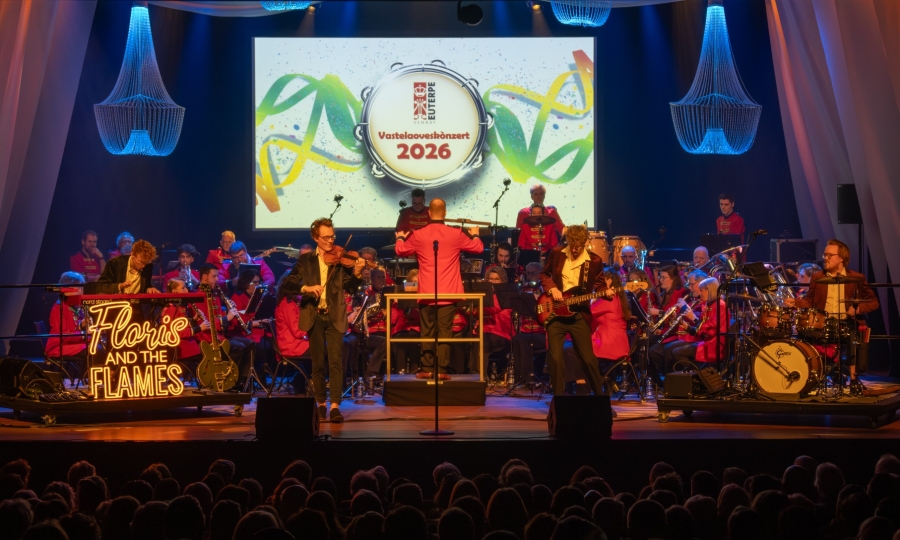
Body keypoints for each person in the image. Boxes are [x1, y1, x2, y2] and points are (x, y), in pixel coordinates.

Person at [395, 198, 484, 379]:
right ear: (445, 213)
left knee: (427, 331)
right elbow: (478, 247)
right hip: (449, 292)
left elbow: (400, 250)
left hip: (427, 291)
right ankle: (442, 370)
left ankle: (427, 368)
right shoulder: (456, 233)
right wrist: (475, 234)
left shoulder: (419, 234)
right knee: (445, 331)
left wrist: (400, 237)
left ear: (429, 213)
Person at [288, 218, 365, 422]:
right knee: (318, 362)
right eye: (326, 238)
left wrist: (357, 274)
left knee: (336, 361)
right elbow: (288, 283)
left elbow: (350, 287)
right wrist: (306, 288)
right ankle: (321, 403)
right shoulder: (306, 260)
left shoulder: (340, 260)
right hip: (313, 315)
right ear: (316, 238)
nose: (330, 241)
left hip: (334, 315)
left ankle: (335, 406)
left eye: (332, 237)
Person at [785, 239, 878, 391]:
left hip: (847, 322)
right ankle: (811, 375)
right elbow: (809, 300)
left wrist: (858, 309)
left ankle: (853, 379)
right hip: (824, 322)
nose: (825, 258)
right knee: (804, 333)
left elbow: (874, 302)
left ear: (841, 258)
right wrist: (795, 302)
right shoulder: (818, 277)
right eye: (825, 255)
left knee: (853, 335)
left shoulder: (856, 278)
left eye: (829, 255)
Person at [539, 224, 613, 395]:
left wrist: (607, 292)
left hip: (578, 313)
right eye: (572, 245)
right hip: (556, 312)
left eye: (578, 246)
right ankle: (558, 398)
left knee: (588, 359)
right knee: (555, 358)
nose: (575, 249)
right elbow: (544, 274)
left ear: (585, 243)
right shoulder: (557, 253)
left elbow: (600, 285)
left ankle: (599, 397)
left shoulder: (594, 261)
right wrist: (552, 289)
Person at [192, 264, 253, 391]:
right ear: (204, 277)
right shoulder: (198, 296)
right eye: (214, 276)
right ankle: (229, 380)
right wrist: (226, 318)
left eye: (217, 276)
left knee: (250, 344)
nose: (217, 279)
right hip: (207, 338)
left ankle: (242, 381)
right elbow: (206, 323)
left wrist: (229, 312)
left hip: (219, 335)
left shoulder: (215, 294)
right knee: (238, 347)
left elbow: (219, 316)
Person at [668, 278, 729, 371]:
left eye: (701, 290)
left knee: (677, 352)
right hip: (705, 341)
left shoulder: (720, 305)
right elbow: (699, 330)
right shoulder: (708, 305)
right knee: (670, 348)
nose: (700, 294)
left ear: (709, 290)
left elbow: (711, 330)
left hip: (713, 345)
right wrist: (686, 327)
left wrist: (694, 318)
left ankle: (697, 374)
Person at [471, 267, 513, 377]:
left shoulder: (504, 294)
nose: (493, 281)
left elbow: (492, 309)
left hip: (501, 332)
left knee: (483, 341)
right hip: (484, 330)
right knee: (470, 339)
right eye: (490, 279)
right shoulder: (484, 293)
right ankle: (472, 373)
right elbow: (475, 313)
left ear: (502, 280)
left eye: (497, 279)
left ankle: (480, 375)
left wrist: (476, 307)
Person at [230, 269, 272, 379]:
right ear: (246, 283)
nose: (258, 285)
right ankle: (250, 376)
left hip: (259, 329)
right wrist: (257, 322)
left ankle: (261, 376)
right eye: (255, 282)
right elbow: (239, 322)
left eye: (259, 282)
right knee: (262, 347)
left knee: (272, 344)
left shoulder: (258, 296)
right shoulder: (238, 296)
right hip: (243, 332)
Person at [273, 275, 311, 394]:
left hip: (295, 343)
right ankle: (308, 382)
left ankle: (302, 380)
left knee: (323, 347)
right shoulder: (287, 304)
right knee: (323, 349)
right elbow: (297, 331)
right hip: (291, 346)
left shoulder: (291, 302)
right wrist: (314, 330)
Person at [511, 263, 546, 382]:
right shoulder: (523, 290)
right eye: (528, 273)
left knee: (522, 340)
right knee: (516, 339)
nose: (530, 276)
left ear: (541, 274)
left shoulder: (545, 290)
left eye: (533, 273)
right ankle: (518, 378)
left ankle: (528, 379)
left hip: (543, 333)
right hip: (527, 331)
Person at [591, 270, 632, 371]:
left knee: (577, 346)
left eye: (599, 282)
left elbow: (587, 312)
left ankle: (583, 379)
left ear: (608, 281)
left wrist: (593, 299)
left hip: (609, 345)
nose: (595, 285)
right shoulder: (618, 298)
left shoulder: (609, 299)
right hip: (619, 345)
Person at [46, 272, 89, 368]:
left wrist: (81, 325)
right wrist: (85, 334)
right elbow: (64, 336)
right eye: (79, 288)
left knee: (99, 345)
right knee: (96, 349)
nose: (81, 292)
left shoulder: (71, 305)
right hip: (59, 347)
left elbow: (71, 328)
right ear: (68, 289)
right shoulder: (59, 308)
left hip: (68, 344)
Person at [95, 240, 161, 294]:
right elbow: (100, 287)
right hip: (117, 304)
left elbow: (146, 285)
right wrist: (119, 286)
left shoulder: (148, 266)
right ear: (132, 254)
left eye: (145, 263)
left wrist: (149, 289)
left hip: (137, 305)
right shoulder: (115, 263)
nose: (143, 266)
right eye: (141, 262)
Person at [161, 279, 202, 363]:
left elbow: (182, 325)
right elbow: (177, 333)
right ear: (174, 291)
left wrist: (193, 320)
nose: (187, 290)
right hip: (183, 349)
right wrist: (199, 328)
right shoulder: (171, 309)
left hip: (190, 346)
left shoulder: (179, 307)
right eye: (183, 288)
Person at [515, 185, 566, 252]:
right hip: (528, 252)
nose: (539, 196)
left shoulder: (551, 211)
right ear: (531, 196)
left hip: (547, 251)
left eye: (541, 193)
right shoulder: (523, 213)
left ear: (544, 196)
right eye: (536, 194)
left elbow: (562, 230)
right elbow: (517, 235)